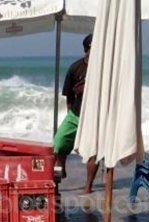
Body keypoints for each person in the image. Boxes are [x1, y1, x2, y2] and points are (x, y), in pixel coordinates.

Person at [53, 34, 100, 193]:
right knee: (58, 144)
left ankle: (88, 187)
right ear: (86, 50)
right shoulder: (75, 68)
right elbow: (69, 96)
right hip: (75, 114)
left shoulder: (104, 70)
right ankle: (62, 167)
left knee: (93, 153)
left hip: (95, 118)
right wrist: (70, 114)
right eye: (93, 49)